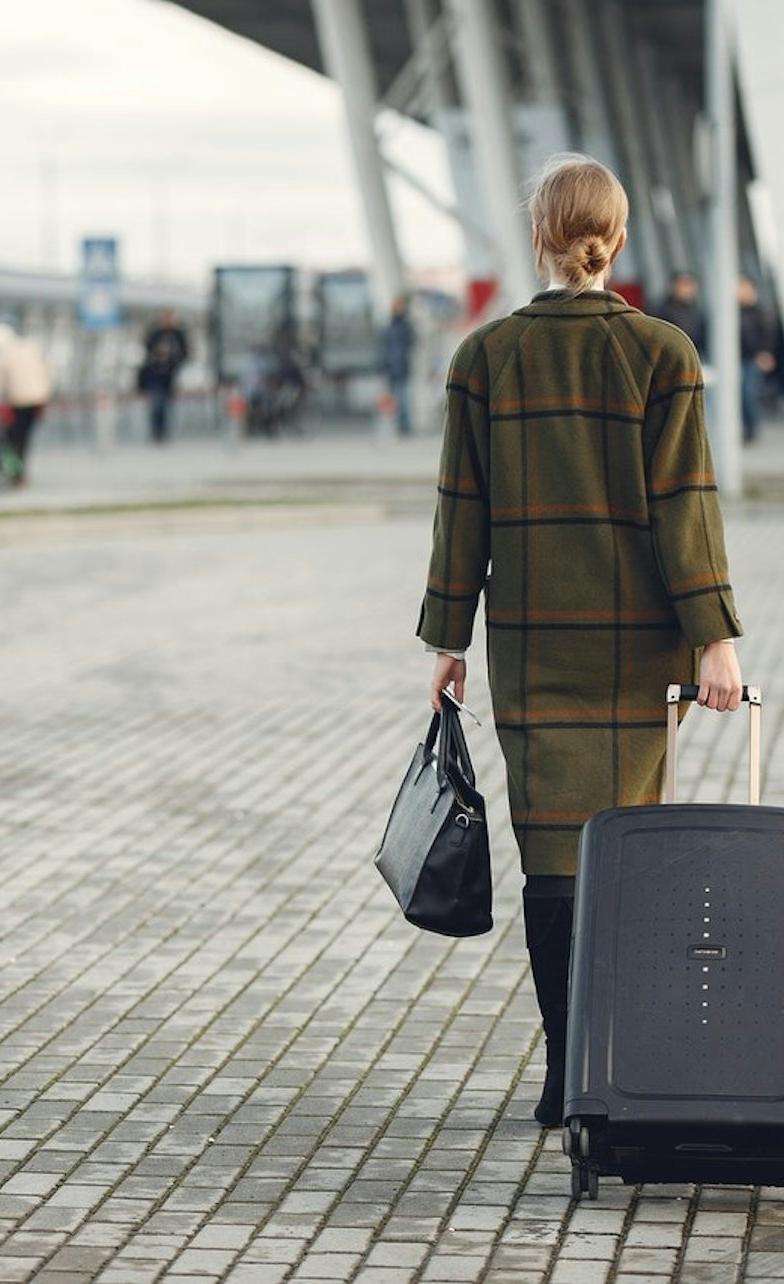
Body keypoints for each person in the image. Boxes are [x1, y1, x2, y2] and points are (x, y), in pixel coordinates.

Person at [418, 154, 745, 1129]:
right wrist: (715, 640)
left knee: (552, 862)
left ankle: (566, 1074)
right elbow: (686, 511)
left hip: (531, 650)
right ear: (619, 235)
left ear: (539, 237)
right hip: (638, 651)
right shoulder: (663, 353)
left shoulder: (485, 355)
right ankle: (615, 1070)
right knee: (625, 854)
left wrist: (449, 639)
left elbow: (458, 513)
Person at [0, 322, 52, 486]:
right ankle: (20, 472)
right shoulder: (30, 348)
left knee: (15, 437)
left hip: (19, 400)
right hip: (38, 398)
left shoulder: (4, 354)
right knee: (25, 436)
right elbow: (47, 371)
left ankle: (18, 472)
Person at [138, 310, 189, 444]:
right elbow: (147, 348)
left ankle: (163, 431)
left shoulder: (177, 334)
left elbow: (184, 353)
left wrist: (174, 361)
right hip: (155, 376)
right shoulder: (155, 334)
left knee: (166, 405)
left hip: (170, 376)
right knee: (157, 404)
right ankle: (157, 432)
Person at [738, 275, 777, 444]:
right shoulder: (732, 311)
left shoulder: (762, 311)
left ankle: (751, 429)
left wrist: (766, 353)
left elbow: (769, 334)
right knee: (740, 393)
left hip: (753, 358)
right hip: (736, 359)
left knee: (748, 392)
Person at [380, 295, 417, 436]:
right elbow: (384, 347)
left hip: (401, 367)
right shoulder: (390, 326)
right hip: (392, 367)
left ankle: (404, 426)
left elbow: (411, 343)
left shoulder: (403, 326)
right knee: (395, 399)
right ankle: (397, 425)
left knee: (403, 399)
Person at [653, 270, 706, 356]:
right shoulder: (662, 310)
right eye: (685, 285)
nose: (688, 289)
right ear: (675, 286)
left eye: (691, 285)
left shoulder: (698, 311)